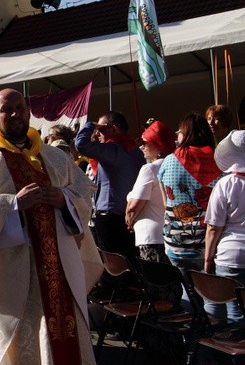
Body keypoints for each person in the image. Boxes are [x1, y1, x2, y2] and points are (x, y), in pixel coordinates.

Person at [0, 89, 101, 365]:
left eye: (20, 107)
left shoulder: (54, 158)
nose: (15, 114)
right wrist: (12, 205)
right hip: (14, 277)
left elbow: (84, 191)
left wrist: (65, 199)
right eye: (6, 110)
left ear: (28, 111)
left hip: (60, 267)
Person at [204, 130, 245, 323]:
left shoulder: (226, 185)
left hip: (233, 256)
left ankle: (240, 352)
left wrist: (208, 260)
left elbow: (213, 227)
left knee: (237, 314)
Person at [75, 111, 145, 259]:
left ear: (113, 129)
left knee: (113, 269)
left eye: (101, 129)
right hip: (129, 217)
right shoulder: (136, 151)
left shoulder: (114, 148)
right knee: (129, 266)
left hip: (110, 220)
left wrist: (90, 125)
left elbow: (81, 144)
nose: (98, 134)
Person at [158, 114, 223, 273]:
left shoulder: (169, 161)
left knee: (186, 287)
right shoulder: (220, 162)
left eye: (179, 131)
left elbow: (166, 202)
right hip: (209, 242)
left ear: (185, 134)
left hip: (175, 240)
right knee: (211, 291)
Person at [125, 120, 176, 263]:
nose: (142, 146)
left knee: (156, 280)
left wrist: (129, 220)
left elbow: (134, 205)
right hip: (170, 234)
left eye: (146, 143)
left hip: (151, 236)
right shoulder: (176, 165)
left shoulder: (150, 169)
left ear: (158, 146)